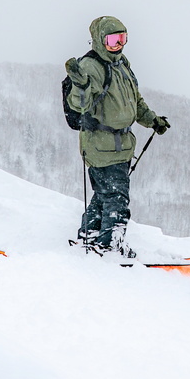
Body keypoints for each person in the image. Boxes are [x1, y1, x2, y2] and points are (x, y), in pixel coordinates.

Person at [64, 16, 170, 258]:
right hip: (101, 144)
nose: (117, 44)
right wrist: (79, 84)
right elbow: (80, 104)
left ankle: (90, 235)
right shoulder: (91, 67)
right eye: (112, 40)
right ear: (100, 40)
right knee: (117, 198)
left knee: (105, 194)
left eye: (122, 38)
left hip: (121, 144)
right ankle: (110, 245)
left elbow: (134, 101)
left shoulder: (121, 64)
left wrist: (152, 120)